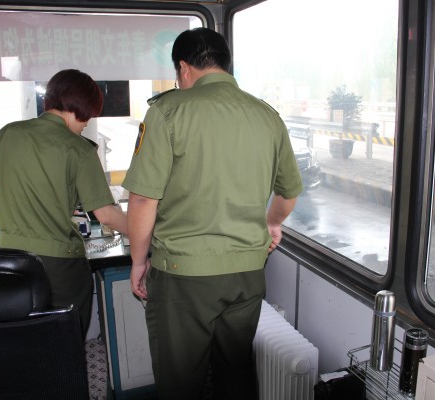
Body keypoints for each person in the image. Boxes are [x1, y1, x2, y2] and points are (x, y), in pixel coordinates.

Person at [122, 28, 303, 399]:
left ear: (184, 68)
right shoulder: (267, 115)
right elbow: (288, 193)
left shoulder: (167, 112)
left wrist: (139, 261)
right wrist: (271, 224)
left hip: (183, 275)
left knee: (180, 382)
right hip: (247, 274)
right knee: (235, 373)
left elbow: (141, 201)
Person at [0, 69, 129, 337]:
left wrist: (24, 223)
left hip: (12, 263)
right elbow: (106, 215)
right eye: (89, 116)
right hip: (60, 267)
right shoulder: (79, 148)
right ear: (80, 107)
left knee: (26, 339)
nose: (86, 124)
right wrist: (145, 231)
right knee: (65, 343)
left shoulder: (7, 134)